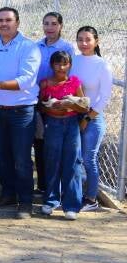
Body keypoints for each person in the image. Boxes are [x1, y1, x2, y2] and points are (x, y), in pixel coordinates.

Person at [0, 7, 41, 219]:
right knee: (2, 156)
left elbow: (27, 80)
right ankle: (8, 195)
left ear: (17, 23)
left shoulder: (29, 47)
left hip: (22, 112)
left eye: (8, 20)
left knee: (22, 158)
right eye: (0, 20)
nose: (4, 24)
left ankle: (25, 202)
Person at [39, 50, 87, 220]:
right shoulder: (45, 83)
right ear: (51, 65)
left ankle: (71, 205)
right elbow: (40, 106)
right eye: (57, 63)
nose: (61, 67)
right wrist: (51, 107)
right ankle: (51, 201)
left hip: (71, 124)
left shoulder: (74, 83)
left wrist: (70, 104)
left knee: (72, 163)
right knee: (52, 161)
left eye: (64, 64)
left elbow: (84, 106)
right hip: (52, 124)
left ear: (70, 65)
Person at [71, 26, 113, 212]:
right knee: (74, 158)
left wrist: (87, 118)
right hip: (73, 114)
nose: (84, 43)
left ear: (96, 41)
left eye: (88, 39)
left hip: (93, 117)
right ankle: (75, 195)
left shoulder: (102, 65)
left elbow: (104, 98)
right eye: (80, 39)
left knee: (89, 159)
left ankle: (91, 199)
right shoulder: (74, 60)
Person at [34, 12, 76, 196]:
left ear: (60, 26)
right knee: (40, 143)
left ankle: (60, 189)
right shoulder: (36, 46)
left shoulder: (67, 48)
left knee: (59, 149)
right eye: (46, 23)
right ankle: (43, 185)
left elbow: (71, 77)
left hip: (59, 103)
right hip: (39, 99)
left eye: (53, 24)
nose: (49, 27)